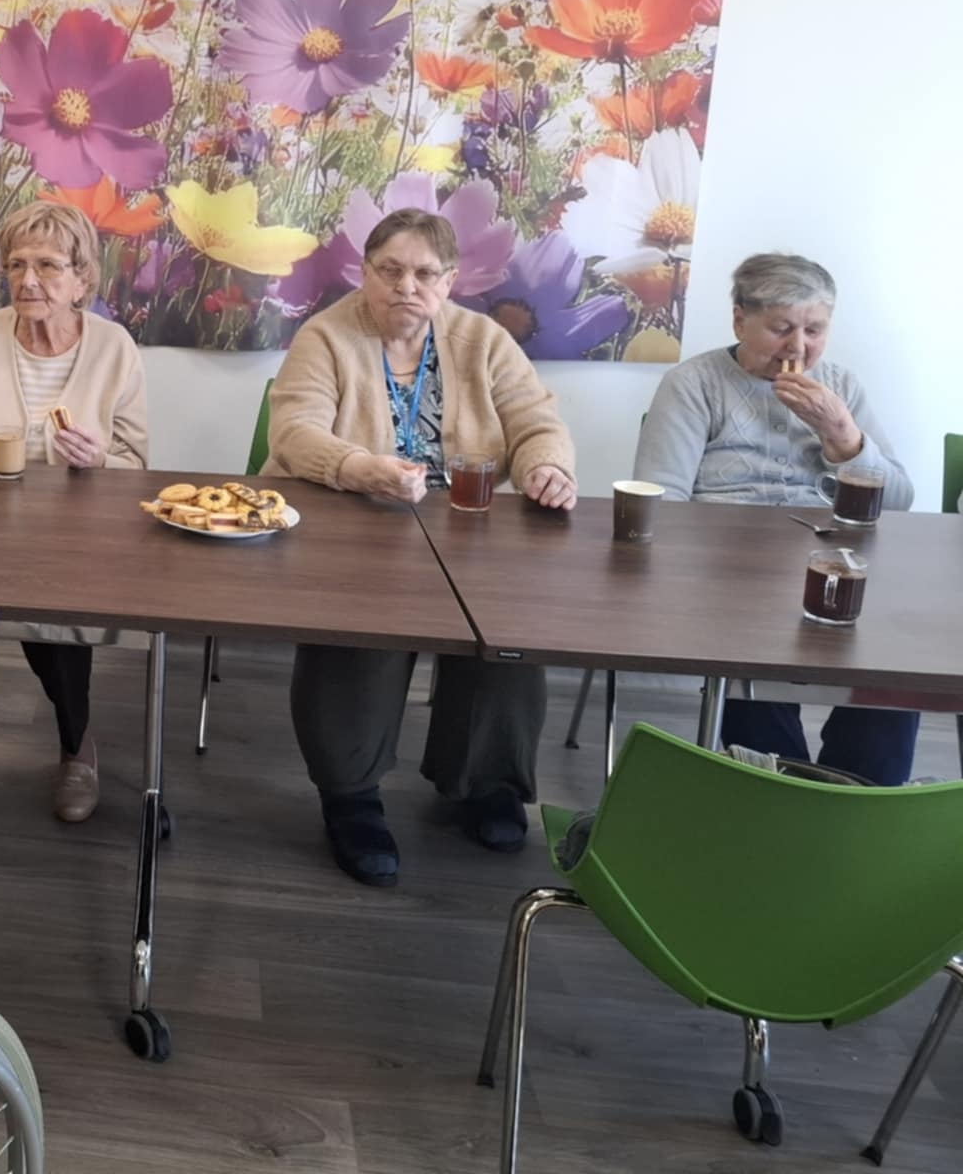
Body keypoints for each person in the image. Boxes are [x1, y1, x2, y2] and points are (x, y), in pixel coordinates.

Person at [263, 207, 577, 886]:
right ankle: (350, 795)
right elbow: (294, 431)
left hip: (467, 527)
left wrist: (546, 468)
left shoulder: (482, 340)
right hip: (353, 522)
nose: (407, 286)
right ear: (365, 272)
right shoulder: (326, 336)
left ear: (450, 280)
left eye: (425, 274)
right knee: (361, 635)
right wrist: (357, 467)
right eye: (391, 271)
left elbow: (536, 422)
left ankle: (486, 782)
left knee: (505, 635)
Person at [0, 202, 148, 871]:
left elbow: (138, 466)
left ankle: (77, 744)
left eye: (47, 265)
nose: (28, 279)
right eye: (16, 264)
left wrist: (99, 459)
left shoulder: (114, 349)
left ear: (81, 278)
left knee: (59, 631)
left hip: (74, 535)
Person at [635, 252, 919, 783]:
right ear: (739, 320)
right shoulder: (694, 384)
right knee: (749, 656)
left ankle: (860, 798)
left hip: (836, 564)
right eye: (781, 328)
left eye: (814, 330)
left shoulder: (842, 387)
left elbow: (899, 500)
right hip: (729, 576)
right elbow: (663, 503)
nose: (798, 347)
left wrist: (843, 436)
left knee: (898, 663)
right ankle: (784, 792)